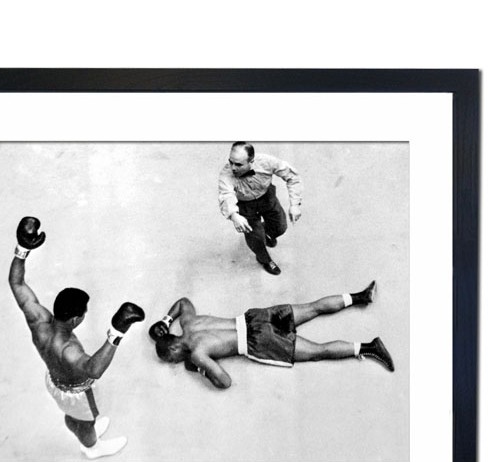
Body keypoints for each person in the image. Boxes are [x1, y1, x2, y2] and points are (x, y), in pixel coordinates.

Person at [8, 216, 145, 459]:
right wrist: (117, 331)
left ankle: (79, 426)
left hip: (54, 380)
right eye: (85, 313)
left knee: (75, 417)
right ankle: (91, 446)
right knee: (87, 420)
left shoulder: (38, 320)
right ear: (75, 320)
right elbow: (93, 369)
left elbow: (16, 284)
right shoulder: (69, 350)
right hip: (75, 391)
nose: (86, 315)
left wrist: (22, 249)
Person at [148, 281, 393, 389]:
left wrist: (201, 369)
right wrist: (166, 320)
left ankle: (369, 347)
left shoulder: (198, 354)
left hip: (259, 342)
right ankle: (360, 297)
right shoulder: (189, 322)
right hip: (255, 318)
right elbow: (183, 302)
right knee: (311, 307)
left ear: (174, 350)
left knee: (318, 352)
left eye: (172, 361)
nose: (176, 364)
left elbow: (224, 382)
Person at [218, 142, 303, 276]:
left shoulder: (267, 161)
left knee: (280, 227)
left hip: (267, 198)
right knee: (256, 240)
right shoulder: (226, 174)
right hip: (245, 206)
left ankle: (265, 233)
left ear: (252, 161)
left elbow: (292, 177)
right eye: (231, 162)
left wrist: (294, 205)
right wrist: (234, 215)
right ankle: (265, 259)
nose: (233, 168)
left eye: (239, 164)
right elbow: (226, 195)